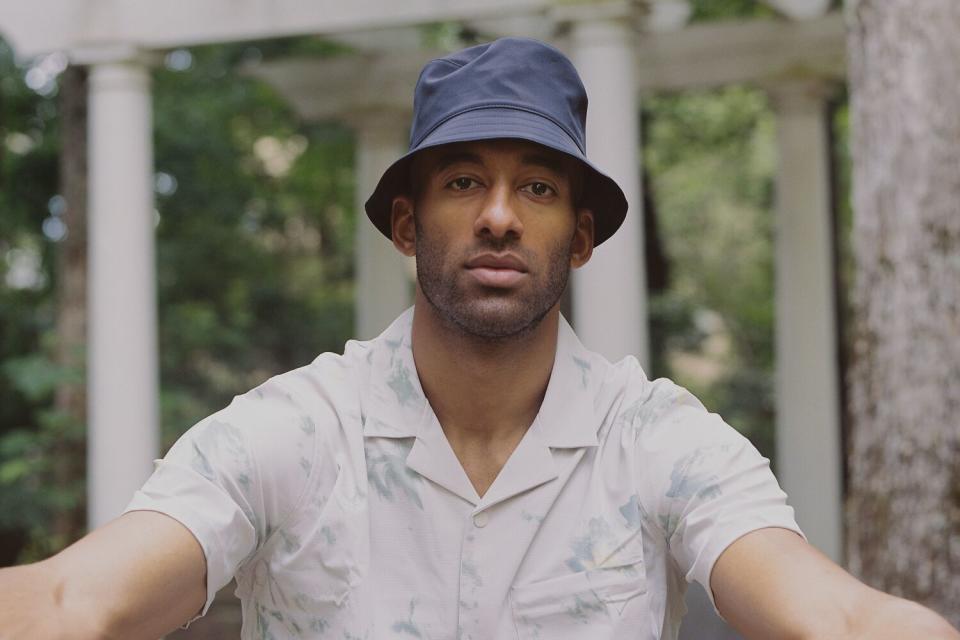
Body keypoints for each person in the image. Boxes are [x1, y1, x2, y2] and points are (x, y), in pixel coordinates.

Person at [1, 37, 957, 640]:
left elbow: (832, 616)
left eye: (537, 188)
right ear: (409, 225)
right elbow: (70, 605)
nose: (499, 216)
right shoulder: (295, 431)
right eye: (463, 181)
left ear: (579, 238)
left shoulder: (657, 440)